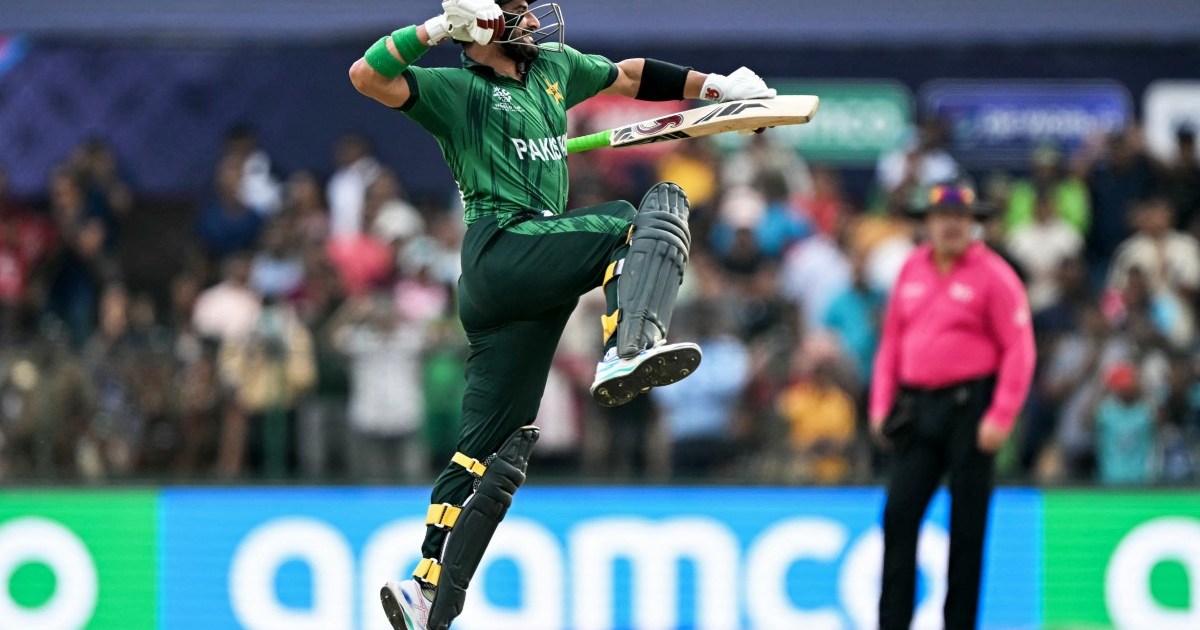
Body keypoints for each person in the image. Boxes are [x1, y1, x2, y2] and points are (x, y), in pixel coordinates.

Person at [347, 2, 776, 628]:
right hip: (501, 250)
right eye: (516, 13)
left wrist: (716, 87)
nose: (532, 21)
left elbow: (628, 76)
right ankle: (628, 346)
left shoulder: (553, 69)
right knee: (640, 216)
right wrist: (436, 28)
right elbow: (367, 76)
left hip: (530, 282)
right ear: (479, 26)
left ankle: (428, 589)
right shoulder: (454, 90)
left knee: (494, 452)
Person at [869, 182, 1036, 630]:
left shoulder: (994, 275)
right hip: (917, 407)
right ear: (927, 222)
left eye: (961, 218)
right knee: (899, 515)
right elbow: (891, 343)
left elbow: (1019, 348)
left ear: (973, 223)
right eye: (943, 217)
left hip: (970, 410)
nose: (952, 226)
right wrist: (881, 405)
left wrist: (1001, 415)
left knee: (967, 529)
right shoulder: (911, 268)